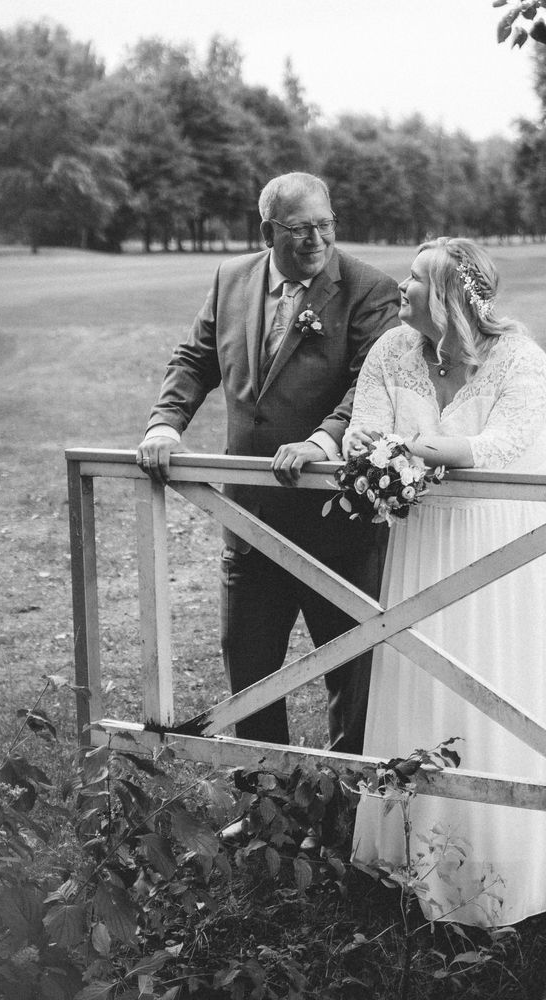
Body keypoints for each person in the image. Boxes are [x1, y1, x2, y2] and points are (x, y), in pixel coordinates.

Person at [344, 237, 546, 927]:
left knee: (512, 677)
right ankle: (424, 854)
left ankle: (527, 851)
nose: (401, 289)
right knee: (429, 677)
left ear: (447, 297)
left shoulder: (521, 358)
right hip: (428, 538)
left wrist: (403, 454)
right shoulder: (391, 350)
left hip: (516, 537)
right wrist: (378, 452)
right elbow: (363, 431)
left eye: (415, 280)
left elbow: (498, 446)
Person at [138, 173, 399, 753]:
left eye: (325, 225)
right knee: (249, 671)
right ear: (267, 231)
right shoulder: (231, 278)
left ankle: (341, 817)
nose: (316, 240)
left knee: (351, 676)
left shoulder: (369, 289)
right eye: (300, 229)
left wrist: (324, 443)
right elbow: (195, 358)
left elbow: (370, 387)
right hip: (250, 522)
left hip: (339, 527)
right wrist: (165, 423)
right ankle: (264, 814)